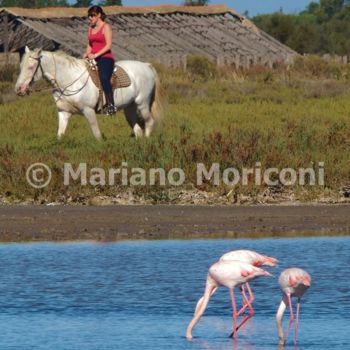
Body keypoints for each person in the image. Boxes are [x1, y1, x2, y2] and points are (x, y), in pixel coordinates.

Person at [83, 5, 117, 115]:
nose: (90, 18)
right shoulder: (90, 28)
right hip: (92, 56)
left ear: (99, 15)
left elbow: (108, 45)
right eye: (89, 16)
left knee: (103, 77)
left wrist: (96, 54)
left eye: (92, 15)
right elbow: (90, 44)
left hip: (105, 58)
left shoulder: (106, 27)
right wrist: (87, 53)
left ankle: (111, 104)